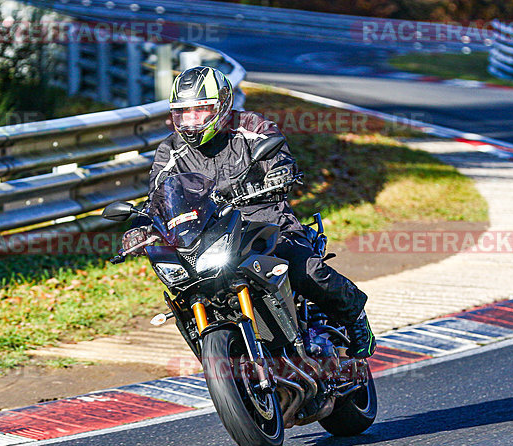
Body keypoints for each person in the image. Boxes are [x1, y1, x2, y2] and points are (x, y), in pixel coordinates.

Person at [122, 66, 375, 359]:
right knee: (183, 289)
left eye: (200, 111)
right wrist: (140, 226)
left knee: (305, 269)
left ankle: (355, 316)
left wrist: (280, 172)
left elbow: (279, 157)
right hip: (208, 233)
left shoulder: (251, 126)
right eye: (183, 113)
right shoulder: (170, 150)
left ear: (222, 105)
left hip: (265, 220)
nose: (191, 122)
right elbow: (157, 196)